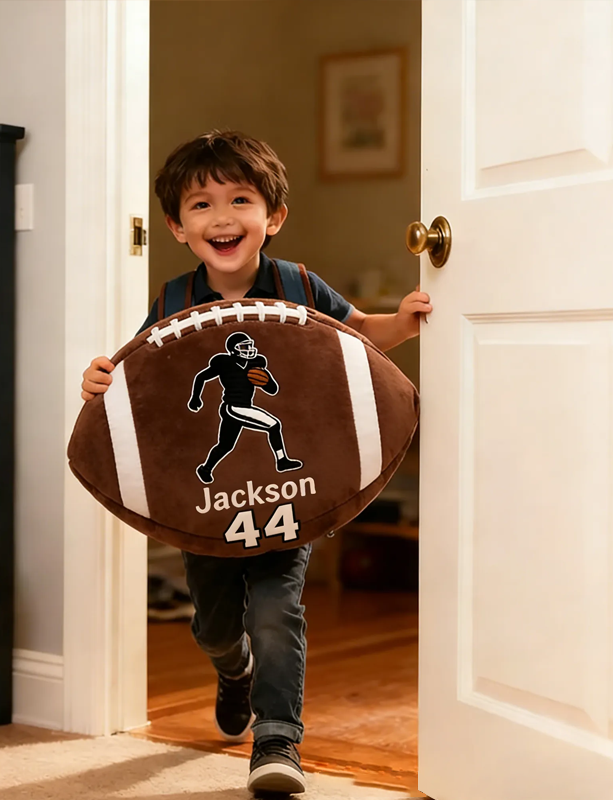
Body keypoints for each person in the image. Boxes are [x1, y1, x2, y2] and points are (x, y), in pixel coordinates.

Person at [81, 130, 432, 796]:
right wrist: (99, 379)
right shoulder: (173, 301)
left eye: (240, 198)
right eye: (201, 203)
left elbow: (355, 333)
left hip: (290, 495)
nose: (222, 216)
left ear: (272, 217)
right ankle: (232, 669)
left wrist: (403, 323)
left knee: (276, 608)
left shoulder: (297, 284)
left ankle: (277, 740)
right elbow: (141, 377)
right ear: (177, 226)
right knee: (216, 625)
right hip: (206, 504)